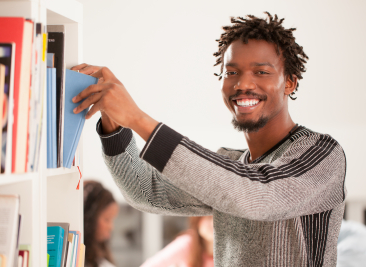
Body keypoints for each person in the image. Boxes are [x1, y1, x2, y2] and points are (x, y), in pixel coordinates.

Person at [72, 12, 346, 266]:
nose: (243, 84)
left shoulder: (322, 155)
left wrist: (138, 119)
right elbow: (145, 191)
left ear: (290, 82)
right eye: (231, 72)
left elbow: (257, 195)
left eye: (261, 72)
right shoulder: (229, 164)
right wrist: (113, 121)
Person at [141, 216, 214, 267]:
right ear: (197, 221)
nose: (213, 224)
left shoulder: (224, 253)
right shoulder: (187, 243)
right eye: (208, 217)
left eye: (218, 221)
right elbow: (152, 264)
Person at [84, 180, 119, 267]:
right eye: (107, 219)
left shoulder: (101, 252)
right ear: (91, 218)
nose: (111, 227)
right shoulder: (79, 257)